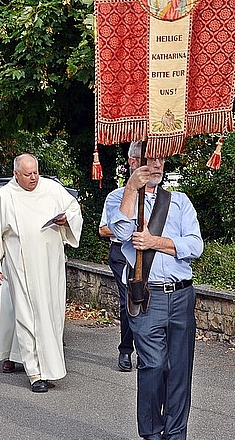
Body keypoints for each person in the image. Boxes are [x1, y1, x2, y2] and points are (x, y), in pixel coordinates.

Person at [106, 144, 203, 440]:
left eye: (160, 158)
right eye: (150, 158)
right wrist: (131, 190)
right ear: (133, 162)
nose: (157, 164)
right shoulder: (118, 199)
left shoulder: (179, 201)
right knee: (154, 364)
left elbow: (195, 246)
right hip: (146, 295)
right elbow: (121, 231)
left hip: (181, 295)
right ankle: (151, 432)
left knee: (179, 370)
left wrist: (154, 241)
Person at [0, 154, 83, 393]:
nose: (33, 178)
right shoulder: (4, 196)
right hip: (20, 266)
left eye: (35, 172)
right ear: (16, 174)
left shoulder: (52, 188)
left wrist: (67, 219)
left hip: (51, 263)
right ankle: (35, 372)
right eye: (27, 174)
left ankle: (51, 367)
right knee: (26, 317)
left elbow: (74, 209)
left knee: (52, 315)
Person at [98, 143, 145, 372]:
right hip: (122, 253)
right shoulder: (116, 197)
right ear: (132, 163)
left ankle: (147, 350)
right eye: (143, 160)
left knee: (151, 299)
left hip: (148, 252)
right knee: (129, 299)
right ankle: (126, 350)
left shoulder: (164, 199)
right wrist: (127, 227)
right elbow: (104, 229)